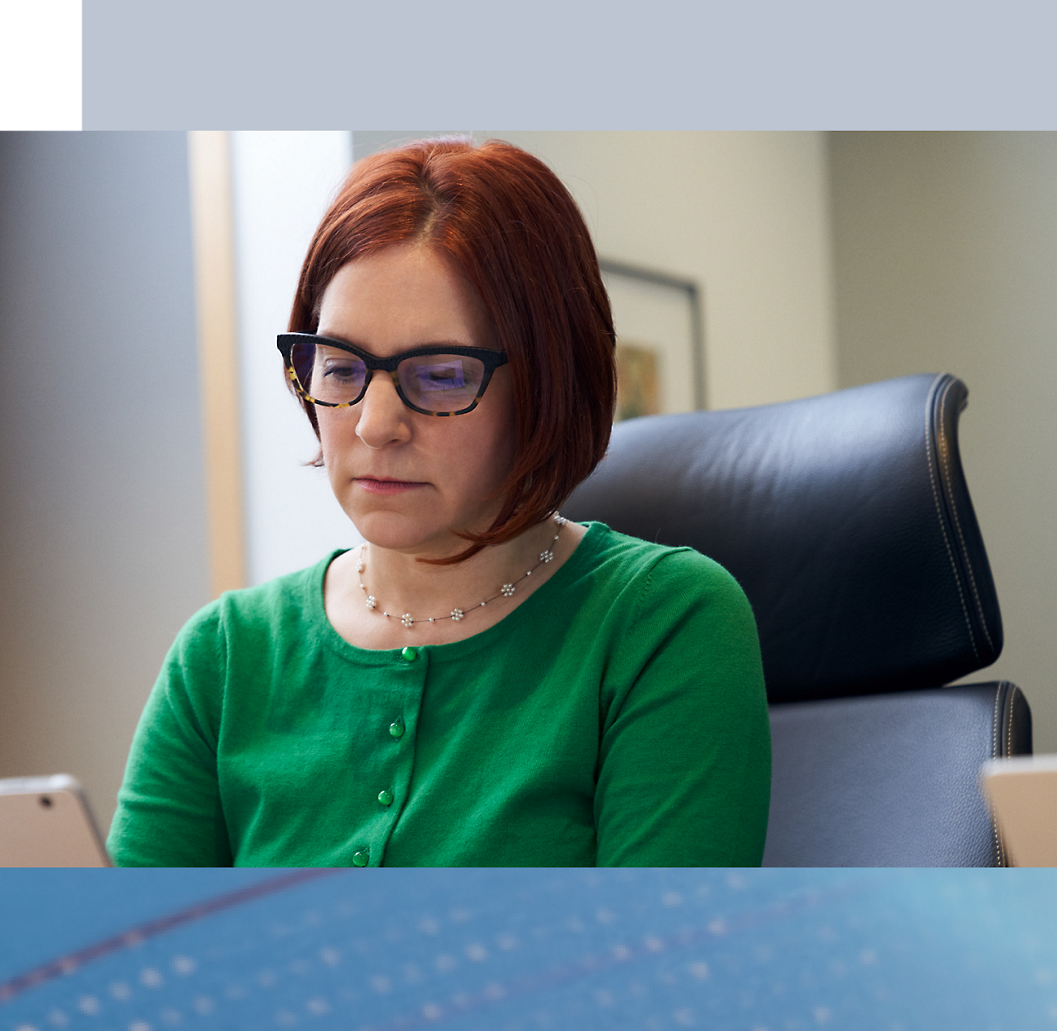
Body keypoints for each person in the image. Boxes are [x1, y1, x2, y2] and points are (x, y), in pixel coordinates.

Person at [108, 139, 771, 867]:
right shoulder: (225, 656)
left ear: (549, 384)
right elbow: (123, 966)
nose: (373, 424)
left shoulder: (662, 623)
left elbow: (658, 971)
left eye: (444, 375)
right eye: (339, 366)